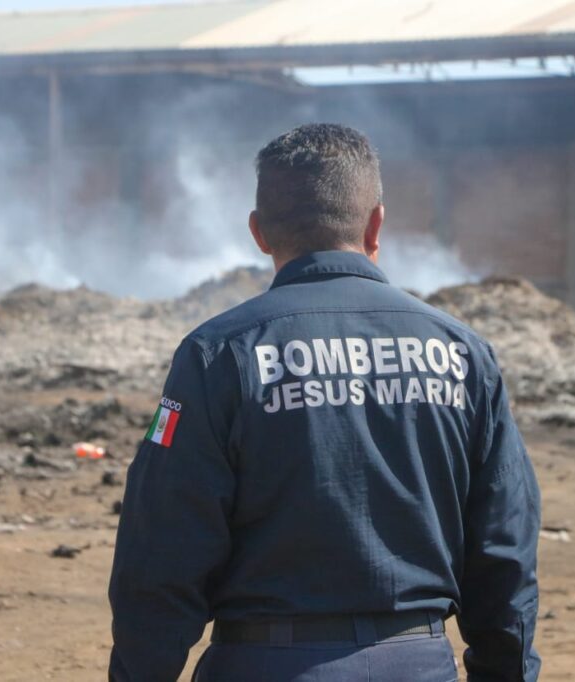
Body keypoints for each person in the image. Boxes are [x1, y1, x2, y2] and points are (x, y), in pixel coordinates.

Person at [108, 123, 541, 682]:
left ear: (259, 233)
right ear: (376, 224)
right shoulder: (461, 353)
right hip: (417, 663)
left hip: (263, 665)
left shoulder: (219, 355)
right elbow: (504, 549)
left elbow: (161, 553)